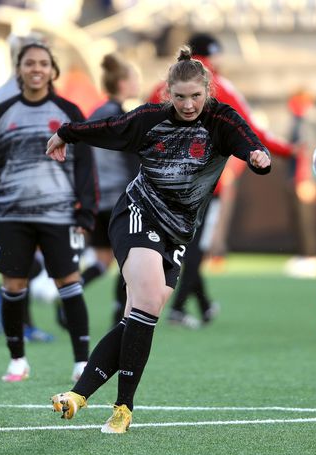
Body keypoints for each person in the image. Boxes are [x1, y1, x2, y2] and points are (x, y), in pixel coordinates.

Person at [46, 45, 271, 434]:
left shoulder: (221, 120)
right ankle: (123, 408)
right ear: (168, 93)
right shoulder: (151, 119)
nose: (188, 104)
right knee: (147, 301)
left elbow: (248, 140)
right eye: (180, 96)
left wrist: (257, 155)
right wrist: (65, 133)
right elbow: (107, 129)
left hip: (179, 230)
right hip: (138, 211)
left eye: (196, 96)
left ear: (208, 93)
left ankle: (79, 396)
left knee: (141, 315)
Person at [0, 42, 98, 383]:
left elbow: (85, 164)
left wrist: (86, 210)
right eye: (30, 63)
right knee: (12, 284)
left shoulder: (69, 111)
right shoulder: (2, 113)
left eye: (43, 63)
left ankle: (81, 363)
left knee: (68, 282)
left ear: (53, 70)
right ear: (19, 69)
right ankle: (17, 361)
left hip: (59, 214)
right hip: (10, 214)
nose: (37, 69)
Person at [147, 32, 294, 328]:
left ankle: (202, 304)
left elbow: (142, 125)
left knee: (179, 244)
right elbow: (253, 132)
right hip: (201, 181)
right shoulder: (217, 86)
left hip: (161, 181)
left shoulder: (163, 87)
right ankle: (177, 308)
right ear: (212, 56)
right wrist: (289, 152)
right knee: (193, 246)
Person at [0, 33, 58, 343]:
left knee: (25, 256)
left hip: (8, 186)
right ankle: (3, 301)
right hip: (27, 185)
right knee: (33, 256)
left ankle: (20, 321)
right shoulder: (27, 96)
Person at [75, 52, 141, 325]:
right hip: (118, 199)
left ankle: (69, 295)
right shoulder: (121, 117)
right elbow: (131, 161)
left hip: (97, 198)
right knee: (129, 258)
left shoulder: (95, 113)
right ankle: (119, 315)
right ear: (123, 83)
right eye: (134, 78)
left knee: (103, 259)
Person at [282, 88, 316, 279]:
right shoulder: (303, 119)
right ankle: (303, 255)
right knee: (299, 219)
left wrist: (305, 179)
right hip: (301, 178)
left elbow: (305, 150)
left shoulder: (306, 120)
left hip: (303, 178)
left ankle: (310, 257)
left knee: (305, 220)